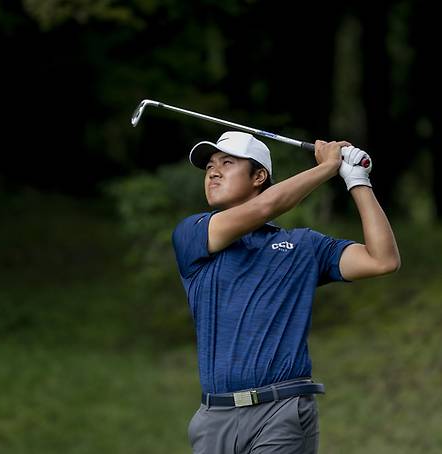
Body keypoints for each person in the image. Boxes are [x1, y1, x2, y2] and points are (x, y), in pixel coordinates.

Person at [171, 131, 400, 454]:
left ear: (259, 176)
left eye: (227, 162)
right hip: (214, 419)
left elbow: (382, 259)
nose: (214, 171)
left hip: (282, 411)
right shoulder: (193, 234)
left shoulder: (303, 246)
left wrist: (357, 180)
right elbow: (268, 206)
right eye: (209, 166)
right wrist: (327, 167)